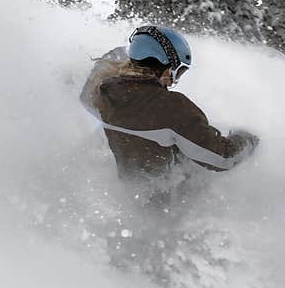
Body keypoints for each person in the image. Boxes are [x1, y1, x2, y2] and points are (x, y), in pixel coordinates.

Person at [81, 25, 259, 199]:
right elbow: (222, 158)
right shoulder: (171, 108)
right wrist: (247, 139)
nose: (173, 81)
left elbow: (90, 92)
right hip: (168, 202)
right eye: (178, 71)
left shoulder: (102, 90)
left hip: (130, 196)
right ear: (165, 67)